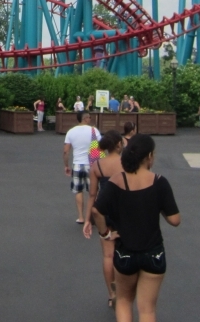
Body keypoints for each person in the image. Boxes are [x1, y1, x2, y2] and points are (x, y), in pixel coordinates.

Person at [93, 134, 181, 322]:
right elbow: (175, 220)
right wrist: (160, 208)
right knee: (147, 310)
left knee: (124, 300)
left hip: (125, 252)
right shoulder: (159, 182)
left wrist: (105, 233)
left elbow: (97, 211)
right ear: (149, 156)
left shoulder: (116, 181)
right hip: (153, 253)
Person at [83, 131, 124, 308]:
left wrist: (87, 219)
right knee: (126, 253)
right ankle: (124, 292)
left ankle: (111, 293)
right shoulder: (127, 164)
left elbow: (92, 194)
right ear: (119, 145)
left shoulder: (97, 166)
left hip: (105, 211)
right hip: (125, 212)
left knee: (108, 255)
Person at [64, 112, 101, 224]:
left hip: (77, 164)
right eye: (89, 117)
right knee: (93, 191)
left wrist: (66, 165)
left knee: (78, 190)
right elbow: (101, 146)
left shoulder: (71, 132)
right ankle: (91, 217)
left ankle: (81, 217)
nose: (90, 119)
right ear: (85, 118)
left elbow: (66, 151)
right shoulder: (94, 131)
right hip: (91, 164)